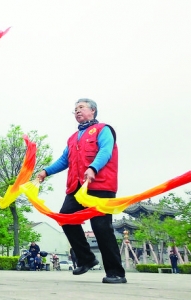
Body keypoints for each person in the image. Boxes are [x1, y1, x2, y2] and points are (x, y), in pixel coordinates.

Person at [36, 98, 126, 284]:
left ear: (92, 110)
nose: (77, 111)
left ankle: (116, 272)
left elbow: (106, 151)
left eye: (81, 107)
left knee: (101, 228)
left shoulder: (103, 129)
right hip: (77, 188)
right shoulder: (72, 138)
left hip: (99, 185)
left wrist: (93, 168)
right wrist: (45, 171)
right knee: (65, 217)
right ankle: (86, 258)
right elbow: (64, 160)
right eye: (75, 109)